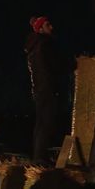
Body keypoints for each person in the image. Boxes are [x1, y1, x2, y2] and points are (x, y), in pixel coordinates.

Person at [24, 16, 74, 163]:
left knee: (41, 124)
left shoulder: (34, 47)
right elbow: (56, 64)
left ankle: (38, 157)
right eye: (47, 25)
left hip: (39, 91)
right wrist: (73, 64)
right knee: (47, 123)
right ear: (40, 29)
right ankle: (40, 159)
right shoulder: (44, 44)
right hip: (48, 89)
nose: (51, 27)